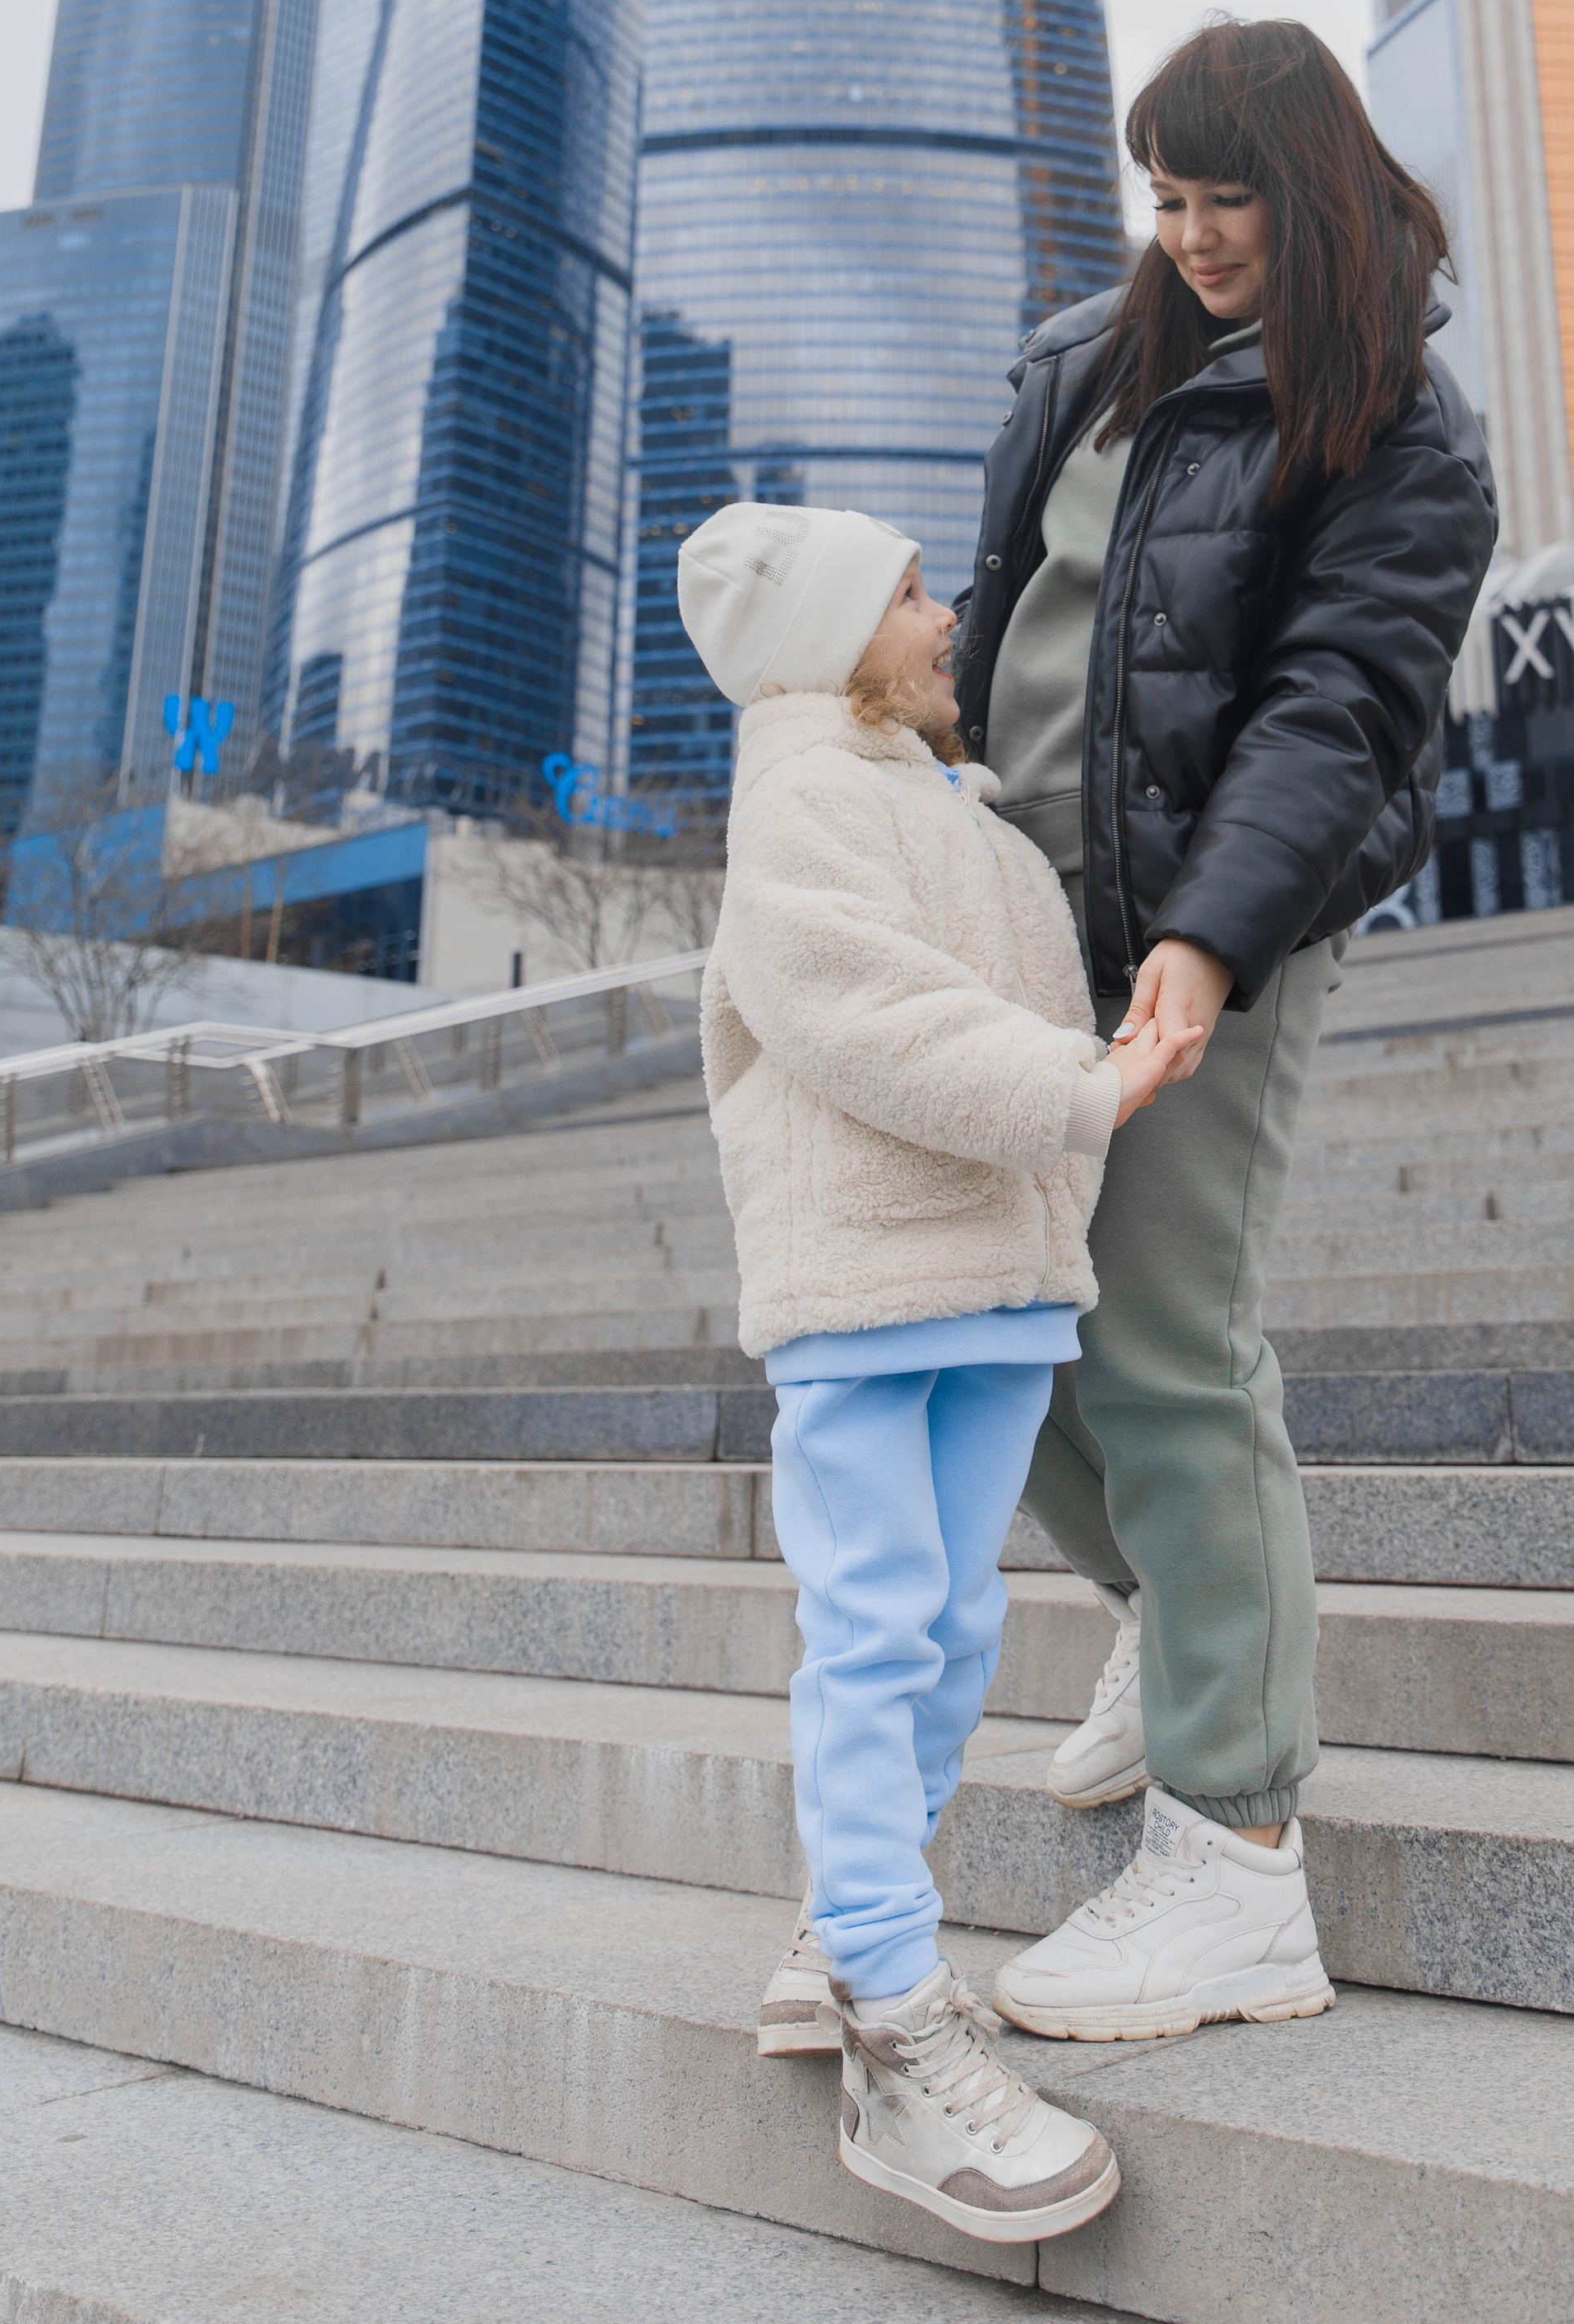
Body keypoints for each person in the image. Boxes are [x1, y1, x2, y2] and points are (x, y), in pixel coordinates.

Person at [956, 15, 1498, 2042]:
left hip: (1216, 942)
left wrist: (1202, 939)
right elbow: (1001, 630)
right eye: (1160, 195)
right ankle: (1170, 1623)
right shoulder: (1086, 367)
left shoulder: (1395, 425)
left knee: (1164, 1354)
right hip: (1003, 929)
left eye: (1221, 196)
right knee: (987, 1336)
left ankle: (1236, 1865)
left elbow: (1339, 708)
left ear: (1312, 183)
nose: (1182, 233)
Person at [675, 497, 1207, 2245]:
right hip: (866, 1282)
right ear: (830, 636)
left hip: (988, 1277)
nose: (941, 615)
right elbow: (854, 1004)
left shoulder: (941, 799)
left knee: (953, 1624)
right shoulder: (804, 795)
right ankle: (898, 2027)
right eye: (906, 594)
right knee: (882, 1619)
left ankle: (848, 1929)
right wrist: (1079, 1093)